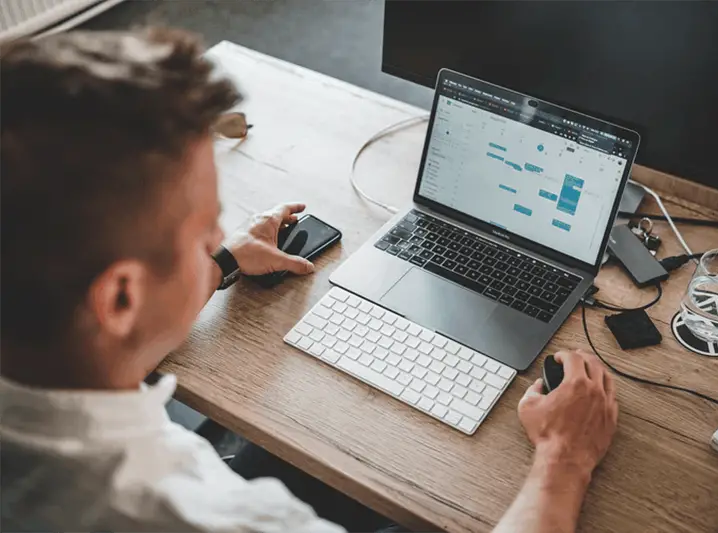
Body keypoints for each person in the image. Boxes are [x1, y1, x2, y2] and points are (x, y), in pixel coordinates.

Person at [0, 28, 618, 533]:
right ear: (121, 296)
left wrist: (219, 265)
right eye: (204, 232)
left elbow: (101, 332)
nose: (219, 238)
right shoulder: (206, 516)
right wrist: (565, 459)